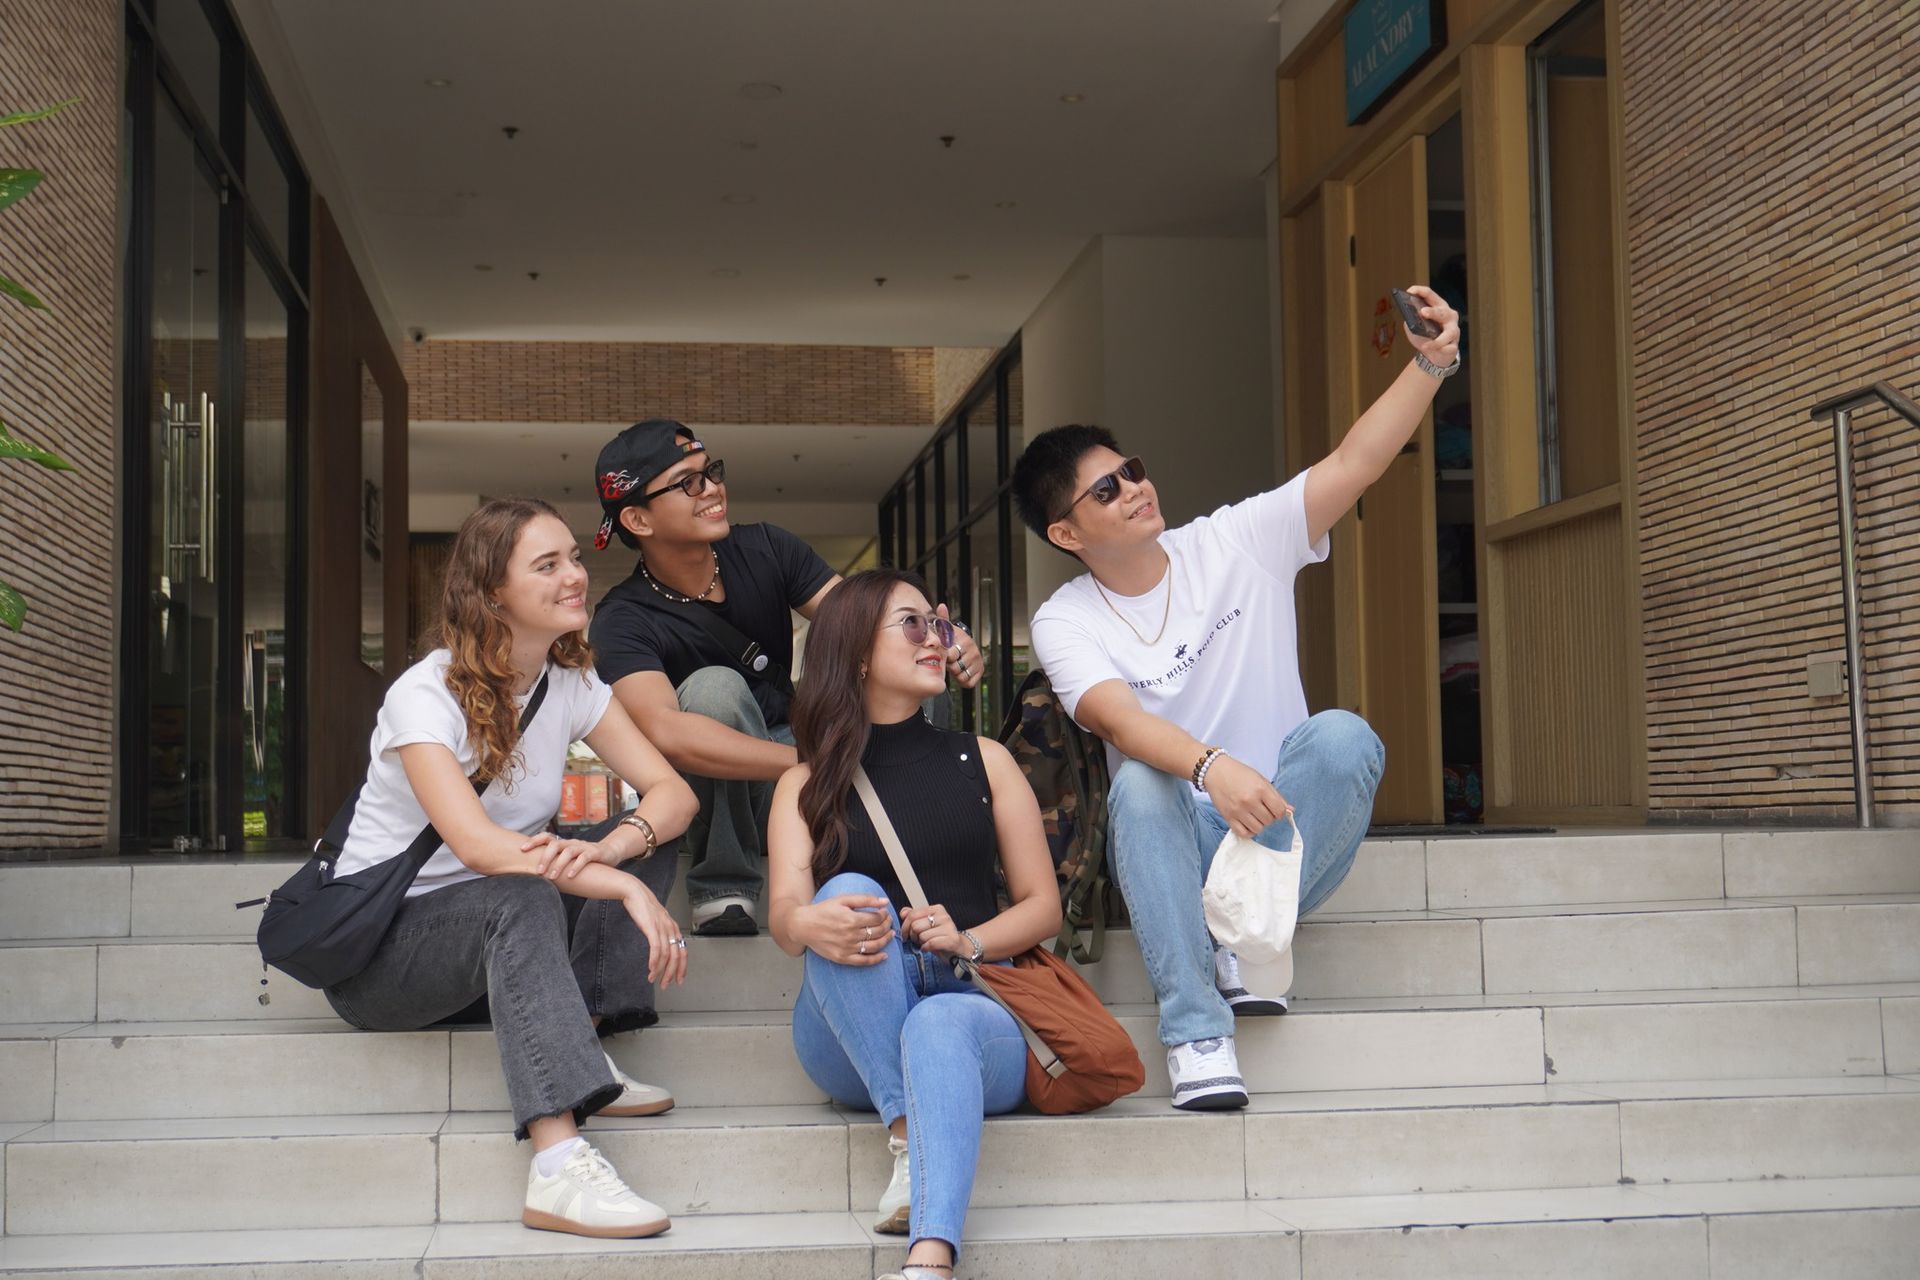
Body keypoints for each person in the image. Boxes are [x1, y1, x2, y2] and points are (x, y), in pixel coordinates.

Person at [1010, 285, 1462, 1112]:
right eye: (1105, 491)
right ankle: (1197, 1033)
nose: (1135, 490)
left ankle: (1256, 945)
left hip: (1277, 826)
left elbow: (1354, 463)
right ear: (1066, 536)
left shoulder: (1234, 541)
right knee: (1142, 779)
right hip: (1174, 842)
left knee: (1342, 738)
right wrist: (1212, 767)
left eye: (1131, 471)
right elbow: (1118, 720)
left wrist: (1432, 364)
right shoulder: (1065, 617)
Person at [323, 497, 700, 1238]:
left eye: (575, 560)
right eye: (548, 564)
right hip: (384, 961)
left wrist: (618, 849)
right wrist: (614, 879)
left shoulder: (572, 685)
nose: (575, 577)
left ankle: (576, 1041)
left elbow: (674, 794)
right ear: (493, 591)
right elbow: (477, 847)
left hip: (495, 951)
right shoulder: (423, 694)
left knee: (639, 834)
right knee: (523, 892)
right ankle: (558, 1166)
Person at [766, 569, 1062, 1280]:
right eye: (913, 624)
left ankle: (929, 1260)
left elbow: (1042, 906)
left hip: (972, 1009)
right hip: (848, 1036)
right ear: (859, 655)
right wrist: (811, 926)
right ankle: (906, 1127)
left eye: (938, 623)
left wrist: (970, 940)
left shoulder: (982, 760)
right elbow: (783, 913)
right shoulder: (804, 784)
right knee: (847, 892)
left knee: (935, 1026)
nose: (937, 638)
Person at [588, 420, 983, 937]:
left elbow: (864, 627)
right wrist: (807, 762)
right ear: (638, 518)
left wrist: (942, 635)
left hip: (820, 783)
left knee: (905, 669)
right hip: (733, 796)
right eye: (688, 483)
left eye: (711, 473)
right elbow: (666, 732)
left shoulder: (766, 548)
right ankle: (724, 886)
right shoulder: (622, 618)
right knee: (713, 688)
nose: (712, 489)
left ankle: (933, 851)